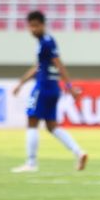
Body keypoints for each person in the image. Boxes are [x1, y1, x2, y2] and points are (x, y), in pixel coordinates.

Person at [11, 11, 88, 173]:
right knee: (52, 126)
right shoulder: (44, 42)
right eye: (30, 26)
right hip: (53, 88)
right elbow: (39, 67)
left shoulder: (46, 42)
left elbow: (59, 64)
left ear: (42, 25)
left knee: (32, 120)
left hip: (43, 87)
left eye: (35, 26)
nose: (32, 29)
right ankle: (79, 152)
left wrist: (70, 87)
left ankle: (31, 163)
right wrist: (21, 83)